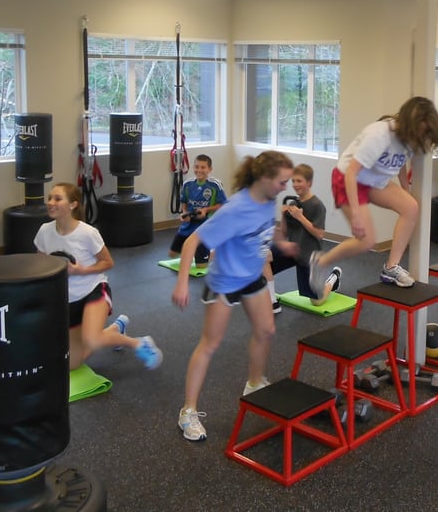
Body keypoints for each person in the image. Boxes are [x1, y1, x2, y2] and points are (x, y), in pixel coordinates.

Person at [172, 150, 296, 442]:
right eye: (282, 181)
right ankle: (187, 411)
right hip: (225, 282)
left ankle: (254, 383)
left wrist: (282, 243)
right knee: (210, 344)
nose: (285, 187)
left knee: (266, 330)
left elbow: (269, 227)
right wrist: (181, 283)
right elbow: (192, 242)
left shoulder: (269, 199)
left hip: (252, 276)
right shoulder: (236, 209)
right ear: (264, 178)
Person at [308, 96, 438, 297]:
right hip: (349, 179)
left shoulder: (412, 138)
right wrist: (356, 214)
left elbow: (401, 160)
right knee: (366, 241)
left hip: (374, 181)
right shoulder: (379, 135)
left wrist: (405, 189)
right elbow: (351, 173)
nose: (419, 139)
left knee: (411, 207)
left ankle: (391, 268)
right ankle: (321, 261)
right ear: (408, 124)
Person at [34, 182, 162, 371]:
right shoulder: (45, 231)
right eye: (50, 198)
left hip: (93, 290)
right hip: (67, 299)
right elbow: (41, 265)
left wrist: (80, 271)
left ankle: (138, 343)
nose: (51, 203)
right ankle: (115, 329)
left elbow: (108, 262)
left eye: (58, 199)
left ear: (73, 204)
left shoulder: (87, 233)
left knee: (92, 340)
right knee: (72, 364)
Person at [266, 164, 340, 311]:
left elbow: (319, 234)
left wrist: (300, 217)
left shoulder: (317, 205)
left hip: (309, 255)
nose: (295, 184)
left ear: (309, 183)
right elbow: (284, 233)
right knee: (263, 256)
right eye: (293, 181)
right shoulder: (293, 203)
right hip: (292, 250)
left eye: (299, 181)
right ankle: (271, 300)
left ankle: (333, 279)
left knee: (316, 301)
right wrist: (283, 216)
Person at [168, 154, 228, 267]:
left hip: (205, 226)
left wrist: (206, 210)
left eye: (203, 167)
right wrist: (184, 213)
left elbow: (222, 205)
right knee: (172, 254)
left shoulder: (215, 185)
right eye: (197, 167)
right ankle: (195, 251)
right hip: (189, 224)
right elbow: (184, 202)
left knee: (201, 265)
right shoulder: (187, 184)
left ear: (210, 169)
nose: (199, 170)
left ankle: (213, 254)